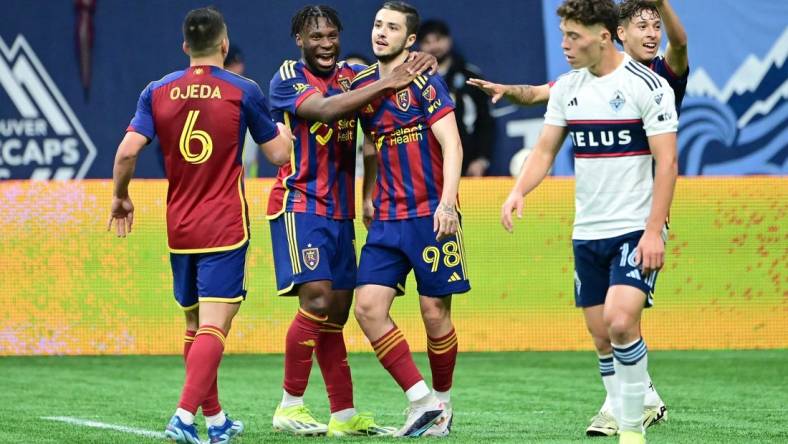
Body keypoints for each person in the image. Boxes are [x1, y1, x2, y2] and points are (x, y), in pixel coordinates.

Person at [470, 0, 687, 436]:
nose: (565, 45)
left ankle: (630, 427)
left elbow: (667, 164)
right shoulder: (570, 87)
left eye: (574, 36)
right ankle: (639, 400)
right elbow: (546, 149)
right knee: (602, 335)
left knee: (621, 319)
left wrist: (653, 230)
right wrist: (517, 190)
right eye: (564, 35)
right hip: (588, 229)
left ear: (604, 37)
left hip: (635, 225)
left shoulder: (651, 84)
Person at [107, 7, 293, 444]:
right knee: (215, 326)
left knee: (194, 326)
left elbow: (126, 153)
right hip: (224, 224)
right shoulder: (242, 89)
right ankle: (184, 417)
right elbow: (279, 156)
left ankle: (216, 420)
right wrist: (288, 133)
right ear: (224, 46)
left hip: (180, 225)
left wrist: (120, 197)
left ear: (186, 46)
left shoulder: (156, 91)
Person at [266, 4, 437, 437]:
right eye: (315, 37)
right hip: (300, 204)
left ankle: (343, 414)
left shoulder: (352, 74)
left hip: (340, 212)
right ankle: (290, 404)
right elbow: (324, 110)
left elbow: (376, 119)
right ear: (299, 41)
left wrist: (418, 65)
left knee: (337, 315)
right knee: (318, 300)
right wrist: (388, 80)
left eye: (331, 36)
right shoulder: (287, 77)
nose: (325, 45)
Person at [351, 1, 469, 437]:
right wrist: (366, 196)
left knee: (434, 313)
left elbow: (452, 144)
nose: (381, 32)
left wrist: (447, 203)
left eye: (392, 27)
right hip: (386, 218)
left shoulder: (425, 81)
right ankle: (421, 401)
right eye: (378, 24)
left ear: (410, 39)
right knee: (367, 308)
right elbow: (367, 148)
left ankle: (444, 403)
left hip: (430, 213)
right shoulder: (362, 85)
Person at [417, 19, 495, 177]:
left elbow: (485, 121)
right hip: (426, 165)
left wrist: (481, 160)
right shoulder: (414, 80)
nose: (433, 47)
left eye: (438, 39)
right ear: (419, 46)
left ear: (448, 40)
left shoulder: (471, 77)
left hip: (467, 162)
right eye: (427, 42)